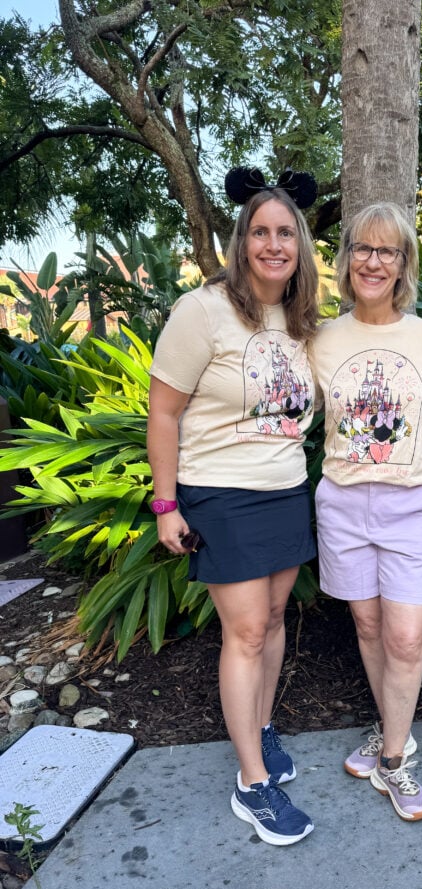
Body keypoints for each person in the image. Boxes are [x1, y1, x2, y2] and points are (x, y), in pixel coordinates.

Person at [147, 167, 319, 846]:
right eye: (261, 231)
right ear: (241, 240)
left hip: (284, 489)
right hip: (220, 491)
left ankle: (263, 727)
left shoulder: (301, 320)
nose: (273, 243)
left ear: (301, 245)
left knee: (273, 618)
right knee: (245, 632)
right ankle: (252, 784)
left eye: (285, 232)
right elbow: (163, 412)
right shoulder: (203, 310)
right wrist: (166, 504)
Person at [310, 202, 422, 822]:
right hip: (342, 501)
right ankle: (391, 727)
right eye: (362, 248)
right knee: (367, 627)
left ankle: (395, 762)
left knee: (406, 635)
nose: (373, 260)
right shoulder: (321, 338)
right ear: (346, 259)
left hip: (412, 503)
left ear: (404, 264)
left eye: (387, 251)